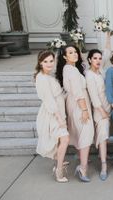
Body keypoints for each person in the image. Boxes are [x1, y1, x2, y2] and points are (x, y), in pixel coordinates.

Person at [56, 45, 95, 182]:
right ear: (65, 56)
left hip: (75, 103)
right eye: (70, 53)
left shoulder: (70, 69)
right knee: (86, 132)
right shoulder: (71, 70)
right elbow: (78, 92)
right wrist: (84, 110)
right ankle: (83, 168)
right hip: (79, 104)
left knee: (81, 133)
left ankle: (82, 160)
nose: (75, 54)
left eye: (75, 52)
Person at [34, 50, 69, 183]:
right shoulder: (41, 78)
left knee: (60, 140)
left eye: (51, 61)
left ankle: (59, 161)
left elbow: (58, 94)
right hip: (52, 114)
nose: (49, 64)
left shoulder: (49, 76)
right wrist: (59, 118)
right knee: (64, 139)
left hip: (59, 111)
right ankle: (58, 169)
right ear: (40, 62)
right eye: (45, 61)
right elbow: (49, 100)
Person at [85, 33, 111, 181]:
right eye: (95, 58)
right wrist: (103, 113)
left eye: (99, 58)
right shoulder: (89, 75)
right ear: (89, 60)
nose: (98, 60)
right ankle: (103, 165)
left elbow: (107, 52)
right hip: (100, 111)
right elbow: (94, 99)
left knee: (105, 136)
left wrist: (107, 37)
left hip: (109, 107)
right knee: (102, 136)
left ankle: (104, 153)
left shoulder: (101, 69)